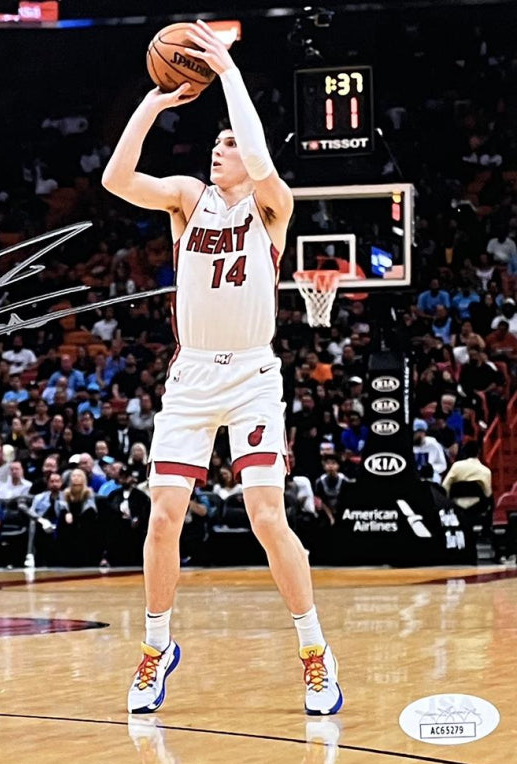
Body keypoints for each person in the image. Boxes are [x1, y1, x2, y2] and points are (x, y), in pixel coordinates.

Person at [103, 20, 341, 717]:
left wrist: (229, 74)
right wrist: (154, 102)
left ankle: (314, 653)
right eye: (214, 143)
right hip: (192, 378)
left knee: (268, 518)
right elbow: (116, 179)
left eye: (228, 144)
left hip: (253, 381)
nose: (219, 151)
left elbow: (262, 161)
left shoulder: (273, 207)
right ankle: (155, 648)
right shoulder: (185, 197)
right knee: (163, 516)